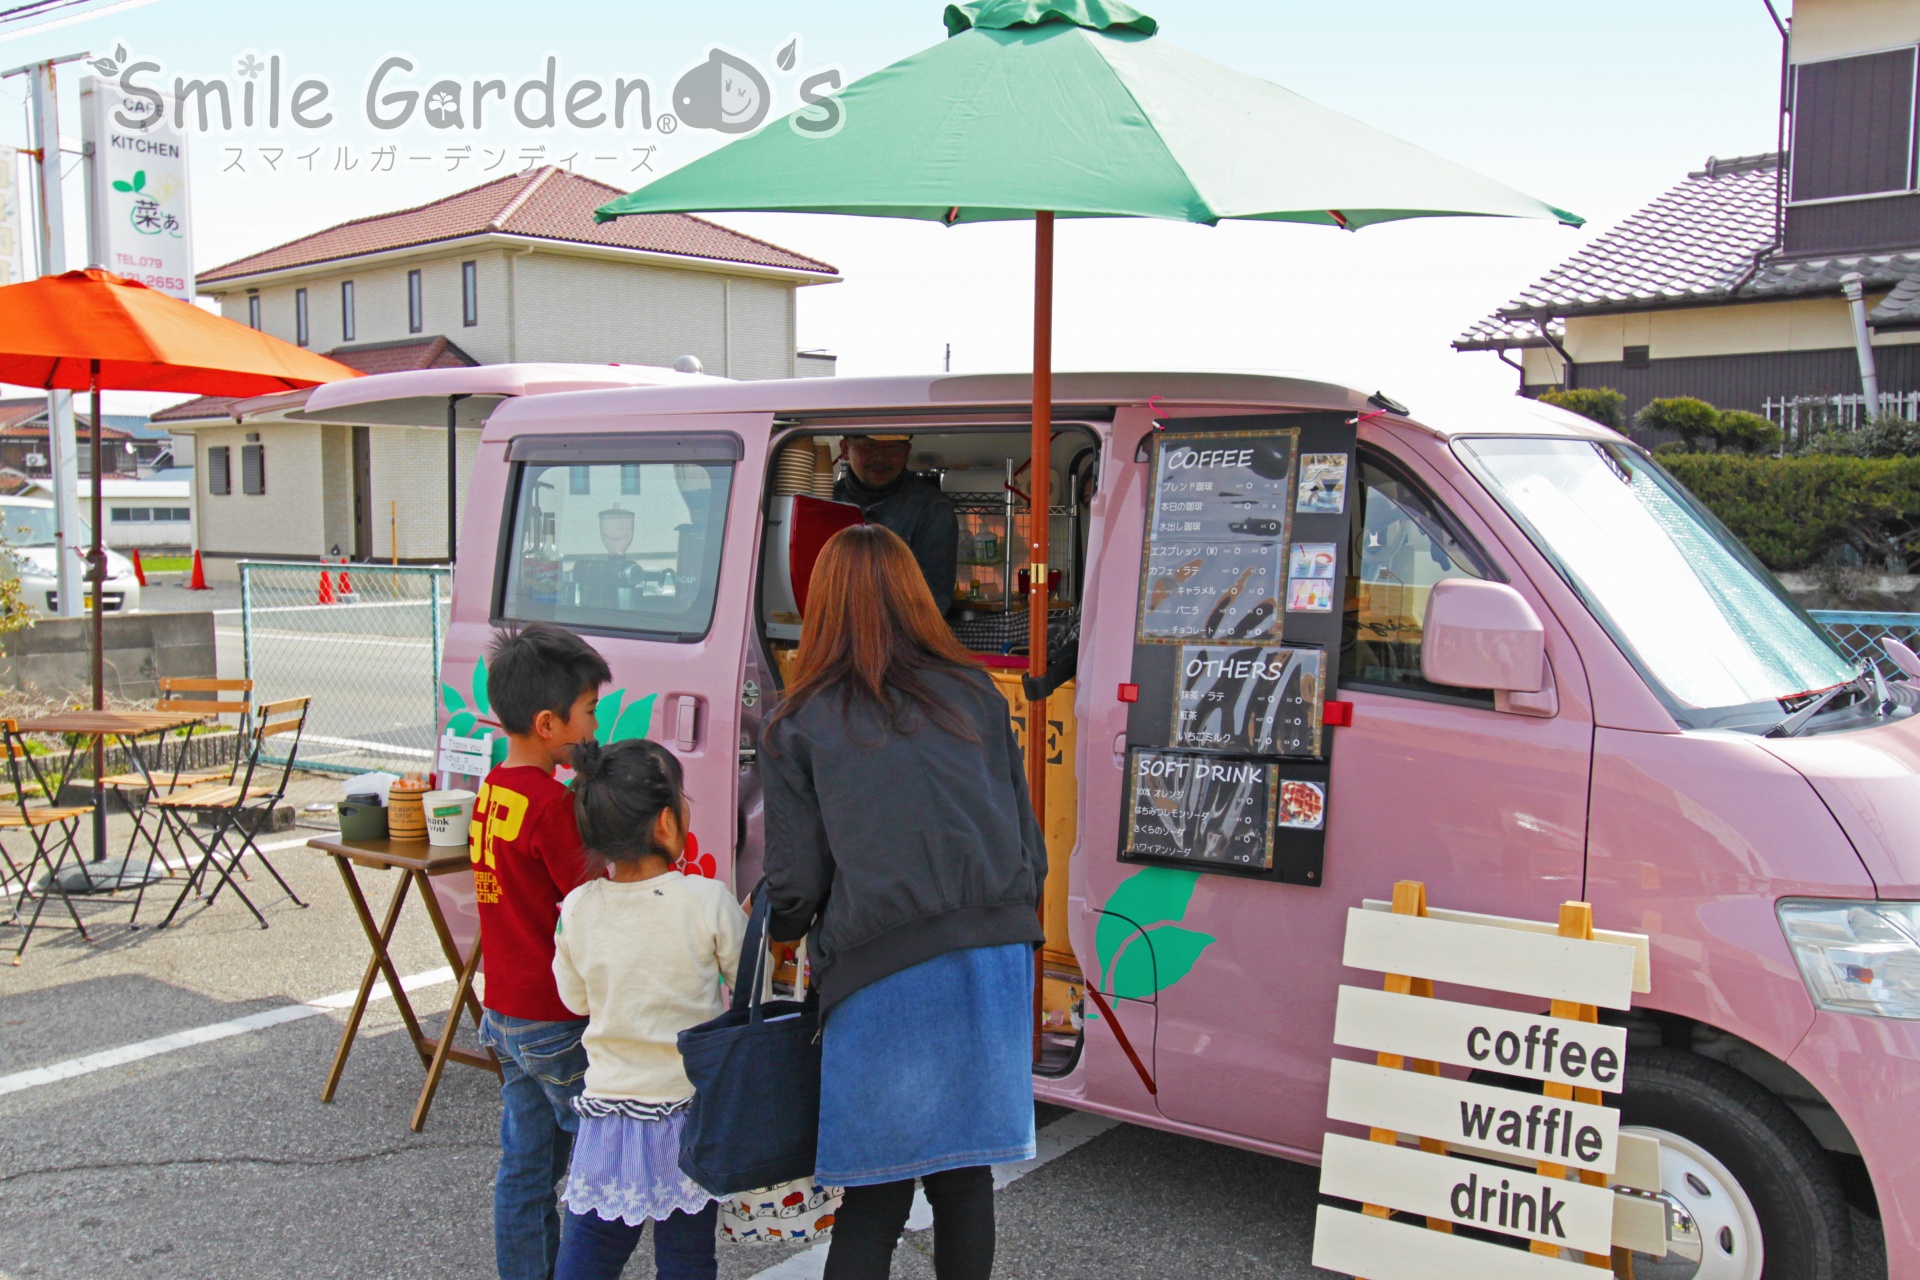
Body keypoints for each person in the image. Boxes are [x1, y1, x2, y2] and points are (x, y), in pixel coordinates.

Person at [761, 524, 1047, 1280]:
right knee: (964, 1179)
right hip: (997, 955)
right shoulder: (975, 692)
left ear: (820, 607)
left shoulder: (802, 720)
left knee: (875, 1200)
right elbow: (1028, 840)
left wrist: (780, 929)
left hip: (885, 967)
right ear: (917, 598)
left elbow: (795, 887)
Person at [550, 738, 748, 1280]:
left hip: (609, 1111)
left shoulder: (579, 907)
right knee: (686, 1255)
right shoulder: (706, 901)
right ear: (666, 823)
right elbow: (746, 985)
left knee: (589, 1248)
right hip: (688, 1111)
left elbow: (574, 999)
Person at [471, 623, 610, 1280]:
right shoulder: (553, 807)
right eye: (589, 712)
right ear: (549, 723)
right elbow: (594, 904)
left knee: (525, 1170)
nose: (594, 725)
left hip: (503, 1010)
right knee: (597, 1167)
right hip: (556, 1018)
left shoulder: (494, 787)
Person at [833, 433, 959, 612]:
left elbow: (935, 599)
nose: (880, 458)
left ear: (907, 452)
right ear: (845, 449)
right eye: (869, 446)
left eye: (892, 447)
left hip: (901, 634)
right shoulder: (826, 501)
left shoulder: (932, 509)